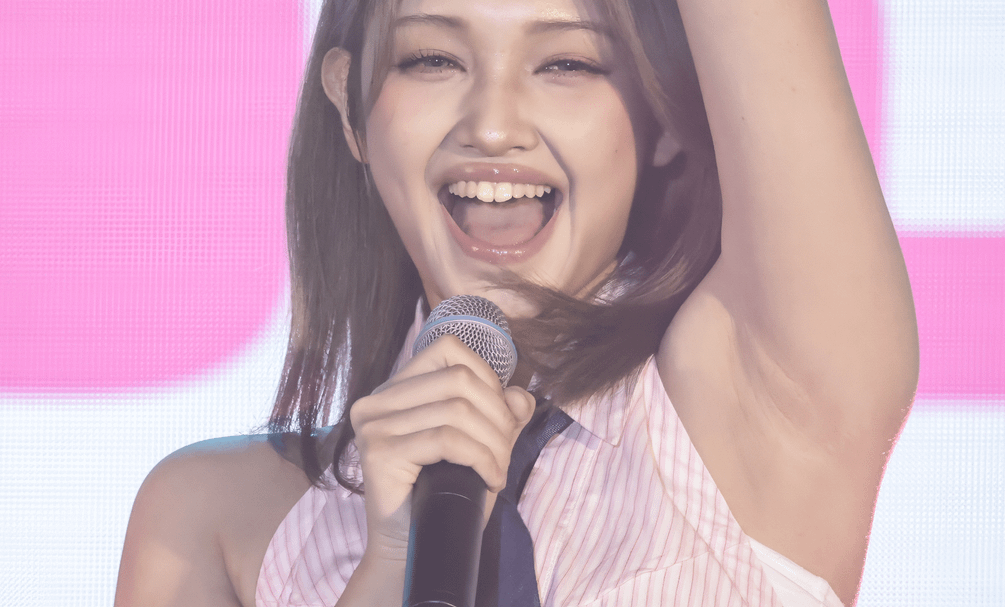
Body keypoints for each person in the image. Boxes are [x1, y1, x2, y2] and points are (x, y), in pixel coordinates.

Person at [115, 0, 919, 605]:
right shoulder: (213, 523)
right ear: (350, 106)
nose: (493, 127)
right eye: (433, 59)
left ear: (667, 112)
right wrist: (389, 565)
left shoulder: (773, 402)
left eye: (568, 63)